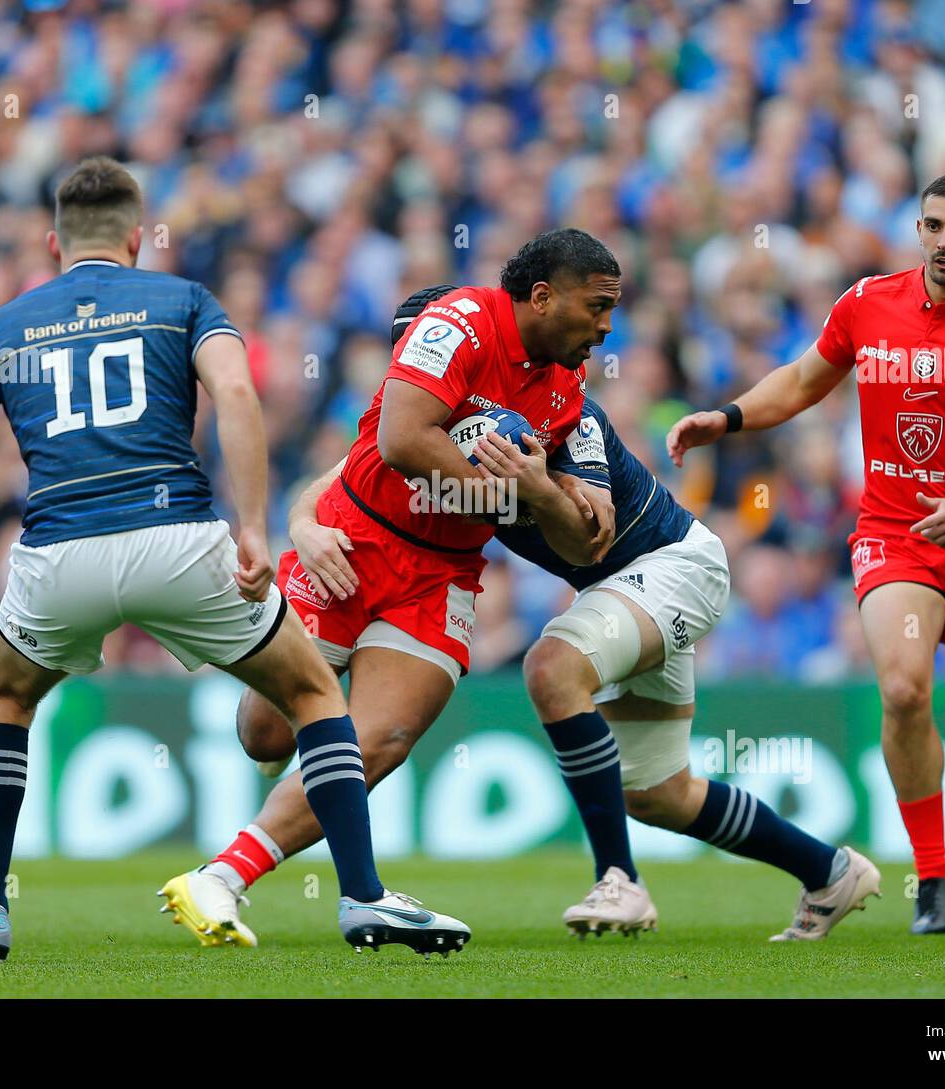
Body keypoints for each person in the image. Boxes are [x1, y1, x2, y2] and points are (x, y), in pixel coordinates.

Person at [0, 156, 467, 962]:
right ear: (138, 236)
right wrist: (251, 526)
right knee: (313, 692)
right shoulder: (183, 300)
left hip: (57, 550)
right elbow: (237, 397)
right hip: (178, 538)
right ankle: (362, 897)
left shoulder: (4, 326)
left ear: (53, 240)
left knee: (4, 702)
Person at [260, 284, 882, 942]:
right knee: (659, 794)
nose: (412, 373)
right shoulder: (418, 423)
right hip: (616, 595)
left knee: (552, 667)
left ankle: (620, 879)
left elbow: (595, 534)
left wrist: (535, 488)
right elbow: (337, 480)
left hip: (673, 567)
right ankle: (830, 869)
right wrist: (302, 524)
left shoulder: (560, 415)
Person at [166, 231, 621, 942]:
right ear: (543, 297)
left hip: (440, 576)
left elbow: (583, 543)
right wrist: (500, 497)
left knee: (378, 739)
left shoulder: (570, 386)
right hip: (350, 542)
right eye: (596, 307)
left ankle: (222, 876)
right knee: (265, 734)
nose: (606, 326)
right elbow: (399, 441)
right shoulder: (458, 321)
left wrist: (545, 493)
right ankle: (329, 882)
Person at [668, 170, 945, 934]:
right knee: (906, 690)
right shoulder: (867, 302)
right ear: (918, 228)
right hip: (896, 535)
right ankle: (936, 881)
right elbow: (805, 379)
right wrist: (729, 416)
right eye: (932, 225)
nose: (944, 241)